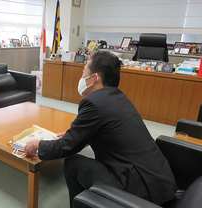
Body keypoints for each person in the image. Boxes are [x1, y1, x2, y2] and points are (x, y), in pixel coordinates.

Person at [24, 51, 177, 207]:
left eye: (84, 71)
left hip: (140, 191)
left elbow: (66, 147)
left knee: (72, 163)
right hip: (161, 182)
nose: (81, 77)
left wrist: (38, 144)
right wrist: (79, 134)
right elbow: (110, 130)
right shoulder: (120, 96)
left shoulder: (92, 102)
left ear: (95, 78)